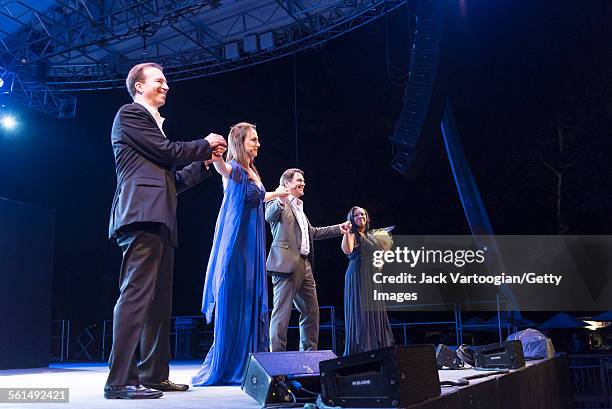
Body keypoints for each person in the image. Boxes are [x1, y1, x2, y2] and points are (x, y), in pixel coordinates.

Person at [105, 62, 227, 399]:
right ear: (139, 86)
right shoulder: (130, 114)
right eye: (159, 81)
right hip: (140, 216)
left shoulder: (153, 127)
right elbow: (168, 153)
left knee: (159, 304)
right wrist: (204, 144)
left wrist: (202, 165)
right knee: (135, 297)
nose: (167, 86)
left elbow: (172, 181)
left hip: (161, 218)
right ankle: (119, 380)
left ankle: (154, 374)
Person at [193, 122, 288, 385]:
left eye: (258, 139)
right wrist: (217, 157)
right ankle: (229, 361)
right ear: (240, 142)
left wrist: (277, 193)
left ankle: (248, 358)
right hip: (237, 247)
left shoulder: (251, 171)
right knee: (235, 298)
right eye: (253, 140)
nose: (258, 144)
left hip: (252, 246)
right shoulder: (234, 168)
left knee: (248, 299)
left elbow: (257, 197)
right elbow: (223, 169)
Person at [266, 168, 351, 352]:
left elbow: (314, 233)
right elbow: (268, 215)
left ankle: (308, 356)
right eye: (298, 180)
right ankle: (277, 358)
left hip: (305, 266)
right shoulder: (279, 203)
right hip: (286, 264)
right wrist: (280, 198)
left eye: (303, 180)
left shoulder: (299, 209)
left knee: (312, 312)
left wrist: (339, 228)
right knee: (282, 313)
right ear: (286, 184)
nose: (303, 183)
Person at [341, 206, 394, 356]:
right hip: (358, 273)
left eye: (362, 214)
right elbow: (348, 250)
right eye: (356, 215)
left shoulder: (371, 236)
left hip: (372, 275)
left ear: (367, 217)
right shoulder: (352, 233)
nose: (360, 216)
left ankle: (377, 348)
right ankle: (361, 350)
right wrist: (346, 232)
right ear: (351, 218)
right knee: (361, 312)